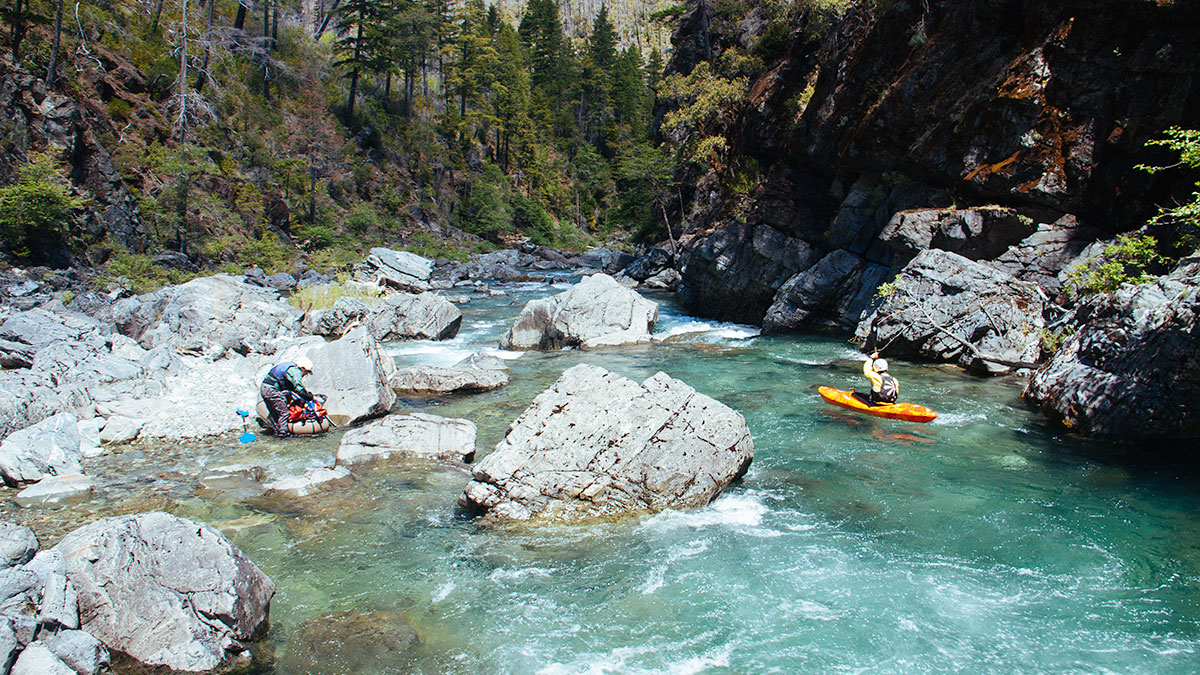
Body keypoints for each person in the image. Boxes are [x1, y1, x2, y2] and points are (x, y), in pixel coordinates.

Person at [261, 356, 315, 437]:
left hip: (264, 388)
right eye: (306, 372)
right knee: (284, 413)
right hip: (271, 390)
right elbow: (298, 388)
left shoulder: (289, 367)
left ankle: (276, 432)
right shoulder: (295, 371)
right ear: (303, 368)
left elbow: (291, 387)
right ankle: (283, 434)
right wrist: (309, 396)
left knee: (275, 414)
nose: (305, 375)